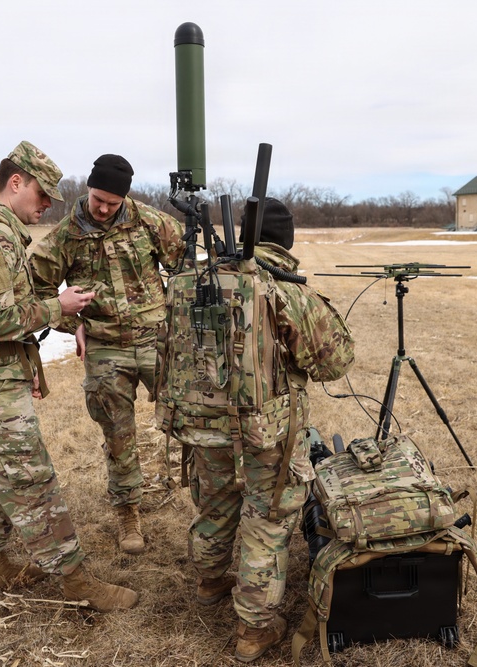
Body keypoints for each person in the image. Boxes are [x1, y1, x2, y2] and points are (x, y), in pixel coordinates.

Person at [0, 140, 137, 611]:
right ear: (16, 183)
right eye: (42, 194)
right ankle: (77, 583)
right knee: (31, 478)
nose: (48, 204)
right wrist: (60, 306)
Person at [165, 197, 355, 662]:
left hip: (202, 426)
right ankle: (255, 630)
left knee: (213, 504)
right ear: (285, 240)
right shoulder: (283, 289)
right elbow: (335, 361)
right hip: (267, 434)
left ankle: (210, 583)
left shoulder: (196, 279)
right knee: (267, 523)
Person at [30, 154, 186, 555]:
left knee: (192, 416)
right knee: (118, 434)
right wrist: (71, 323)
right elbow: (36, 289)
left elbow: (188, 269)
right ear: (88, 189)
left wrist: (181, 320)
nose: (103, 208)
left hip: (157, 340)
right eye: (98, 199)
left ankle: (207, 500)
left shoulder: (152, 222)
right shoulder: (66, 236)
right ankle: (128, 512)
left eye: (112, 203)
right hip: (104, 346)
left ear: (125, 199)